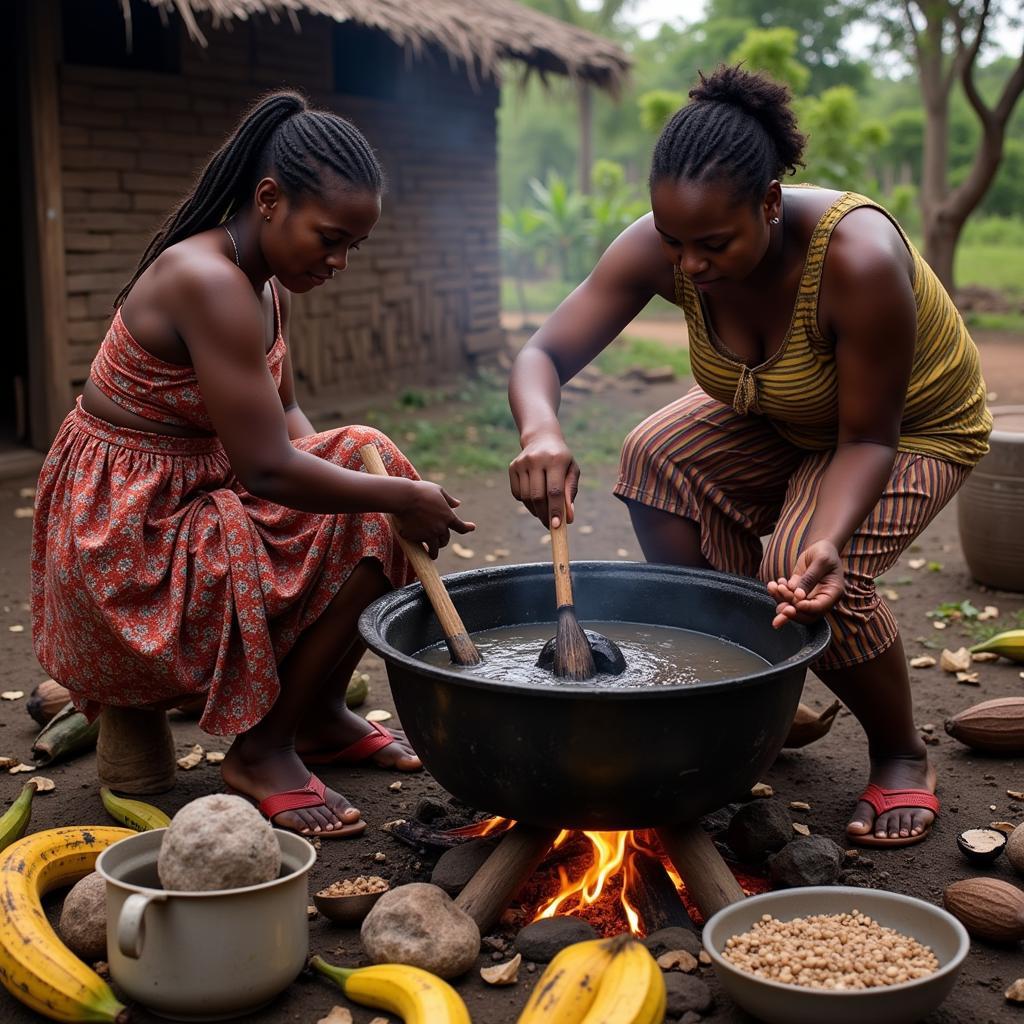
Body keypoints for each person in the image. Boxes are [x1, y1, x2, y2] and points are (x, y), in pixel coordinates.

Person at [507, 65, 991, 848]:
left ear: (769, 202)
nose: (687, 265)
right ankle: (759, 681)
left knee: (807, 565)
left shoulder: (856, 261)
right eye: (672, 241)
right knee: (655, 456)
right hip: (782, 411)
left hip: (908, 428)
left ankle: (902, 751)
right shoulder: (667, 247)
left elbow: (867, 438)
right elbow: (542, 356)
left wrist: (831, 539)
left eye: (712, 244)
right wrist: (542, 432)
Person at [31, 91, 474, 839]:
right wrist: (398, 495)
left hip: (193, 498)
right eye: (328, 238)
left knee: (365, 469)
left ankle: (319, 718)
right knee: (374, 496)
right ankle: (263, 749)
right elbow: (271, 470)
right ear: (269, 199)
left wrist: (374, 485)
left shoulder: (262, 283)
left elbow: (288, 426)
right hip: (122, 549)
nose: (336, 262)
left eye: (351, 248)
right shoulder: (209, 282)